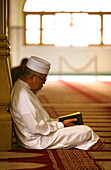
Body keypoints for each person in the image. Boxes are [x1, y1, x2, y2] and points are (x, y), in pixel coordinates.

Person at [9, 56, 105, 150]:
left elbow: (40, 123)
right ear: (32, 77)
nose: (43, 83)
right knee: (85, 131)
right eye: (43, 79)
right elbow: (36, 128)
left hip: (38, 135)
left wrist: (59, 122)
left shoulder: (24, 89)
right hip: (36, 140)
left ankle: (88, 143)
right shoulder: (22, 94)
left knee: (76, 128)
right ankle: (91, 143)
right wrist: (61, 125)